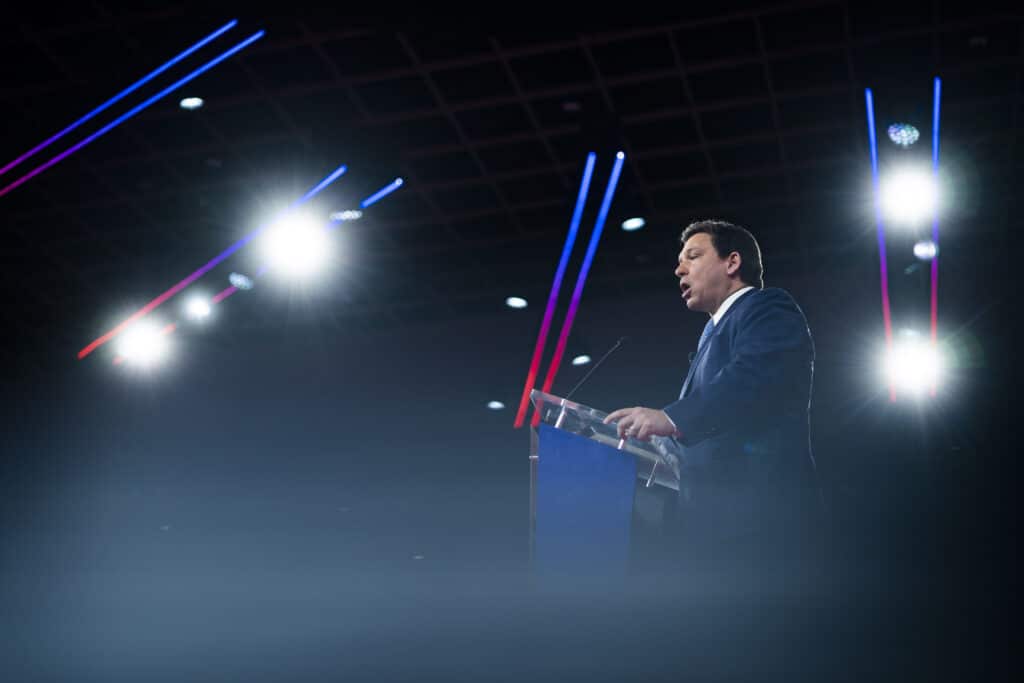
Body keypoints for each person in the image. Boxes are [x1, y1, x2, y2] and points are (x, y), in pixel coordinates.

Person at [603, 219, 822, 588]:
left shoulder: (766, 306)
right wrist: (656, 444)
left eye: (693, 256)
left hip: (763, 521)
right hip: (716, 528)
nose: (679, 268)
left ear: (732, 262)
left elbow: (755, 377)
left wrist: (670, 419)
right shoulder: (712, 333)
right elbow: (709, 426)